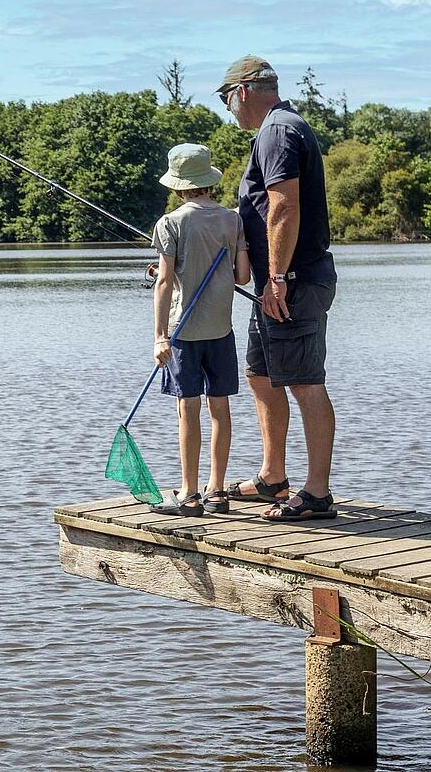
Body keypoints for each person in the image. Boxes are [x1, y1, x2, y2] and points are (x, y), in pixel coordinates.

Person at [216, 56, 338, 521]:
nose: (229, 109)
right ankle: (273, 477)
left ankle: (317, 493)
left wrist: (279, 278)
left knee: (306, 383)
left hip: (293, 281)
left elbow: (284, 208)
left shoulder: (277, 131)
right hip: (277, 282)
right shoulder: (277, 129)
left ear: (243, 90)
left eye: (227, 99)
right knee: (260, 375)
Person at [150, 143, 251, 517]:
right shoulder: (233, 220)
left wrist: (160, 337)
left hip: (183, 334)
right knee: (219, 409)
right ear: (208, 182)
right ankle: (218, 490)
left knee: (187, 410)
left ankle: (190, 494)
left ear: (178, 186)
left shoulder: (170, 223)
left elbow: (163, 282)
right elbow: (243, 276)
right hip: (221, 330)